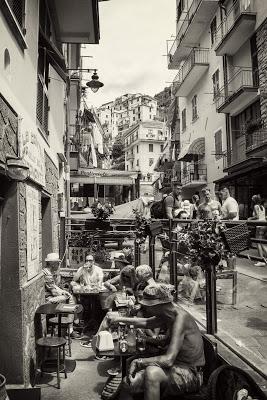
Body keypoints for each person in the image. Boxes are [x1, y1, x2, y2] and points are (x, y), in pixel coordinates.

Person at [108, 284, 205, 400]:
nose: (146, 308)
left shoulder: (180, 319)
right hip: (176, 367)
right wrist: (119, 319)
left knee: (152, 373)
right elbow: (147, 323)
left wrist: (140, 362)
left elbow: (168, 360)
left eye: (148, 306)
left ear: (159, 305)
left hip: (191, 373)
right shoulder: (168, 314)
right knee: (128, 383)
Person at [42, 252, 80, 338]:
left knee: (69, 297)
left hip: (50, 296)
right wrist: (64, 293)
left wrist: (63, 292)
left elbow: (54, 286)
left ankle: (69, 324)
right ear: (52, 264)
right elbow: (54, 292)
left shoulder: (48, 271)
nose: (59, 264)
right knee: (69, 298)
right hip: (47, 299)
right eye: (57, 263)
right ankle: (70, 328)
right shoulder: (47, 274)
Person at [248, 194, 267, 267]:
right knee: (262, 242)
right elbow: (263, 216)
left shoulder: (255, 206)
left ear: (254, 200)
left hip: (259, 226)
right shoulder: (262, 206)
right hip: (264, 225)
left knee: (258, 242)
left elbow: (257, 216)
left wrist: (250, 218)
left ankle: (261, 260)